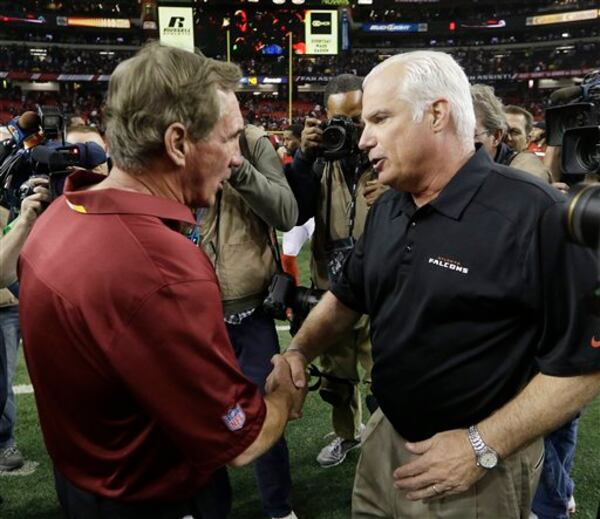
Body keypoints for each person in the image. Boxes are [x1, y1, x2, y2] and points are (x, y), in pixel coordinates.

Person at [274, 51, 600, 518]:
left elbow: (584, 364)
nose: (364, 139)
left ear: (437, 114)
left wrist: (480, 446)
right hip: (386, 437)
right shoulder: (390, 206)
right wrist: (298, 352)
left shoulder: (537, 214)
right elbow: (348, 296)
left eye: (380, 119)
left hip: (477, 462)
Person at [18, 43, 304, 519]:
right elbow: (240, 440)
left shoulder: (62, 213)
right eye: (230, 138)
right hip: (150, 498)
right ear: (177, 143)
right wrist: (283, 392)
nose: (237, 158)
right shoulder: (162, 266)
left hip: (83, 482)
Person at [198, 122, 298, 519]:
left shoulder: (251, 141)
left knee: (261, 410)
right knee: (197, 416)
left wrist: (238, 168)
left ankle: (278, 507)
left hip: (250, 308)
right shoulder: (173, 139)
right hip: (191, 306)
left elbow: (286, 213)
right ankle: (208, 508)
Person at [285, 74, 386, 468]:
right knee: (335, 380)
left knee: (387, 381)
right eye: (339, 120)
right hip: (332, 293)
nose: (349, 128)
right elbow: (295, 211)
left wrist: (394, 197)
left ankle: (384, 444)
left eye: (357, 118)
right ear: (325, 119)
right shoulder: (318, 161)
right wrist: (304, 159)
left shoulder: (388, 157)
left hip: (380, 294)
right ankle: (347, 434)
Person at [0, 180, 49, 473]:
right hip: (4, 300)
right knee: (2, 381)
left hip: (28, 292)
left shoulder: (13, 187)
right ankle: (5, 442)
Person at [471, 84, 551, 182]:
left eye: (514, 132)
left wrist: (539, 188)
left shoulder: (527, 165)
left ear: (527, 140)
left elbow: (530, 172)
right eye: (504, 130)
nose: (506, 137)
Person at [279, 124, 314, 286]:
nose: (284, 143)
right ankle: (293, 299)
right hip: (298, 214)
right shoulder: (288, 160)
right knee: (287, 257)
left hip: (317, 215)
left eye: (288, 139)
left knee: (324, 258)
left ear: (301, 140)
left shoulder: (317, 158)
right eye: (283, 139)